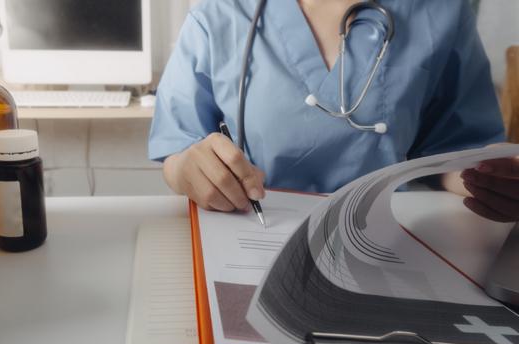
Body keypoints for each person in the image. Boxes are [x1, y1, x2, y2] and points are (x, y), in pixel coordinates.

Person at [148, 0, 519, 222]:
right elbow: (179, 145)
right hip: (255, 231)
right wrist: (187, 170)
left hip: (390, 237)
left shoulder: (439, 13)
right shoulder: (220, 13)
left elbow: (453, 149)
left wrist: (487, 178)